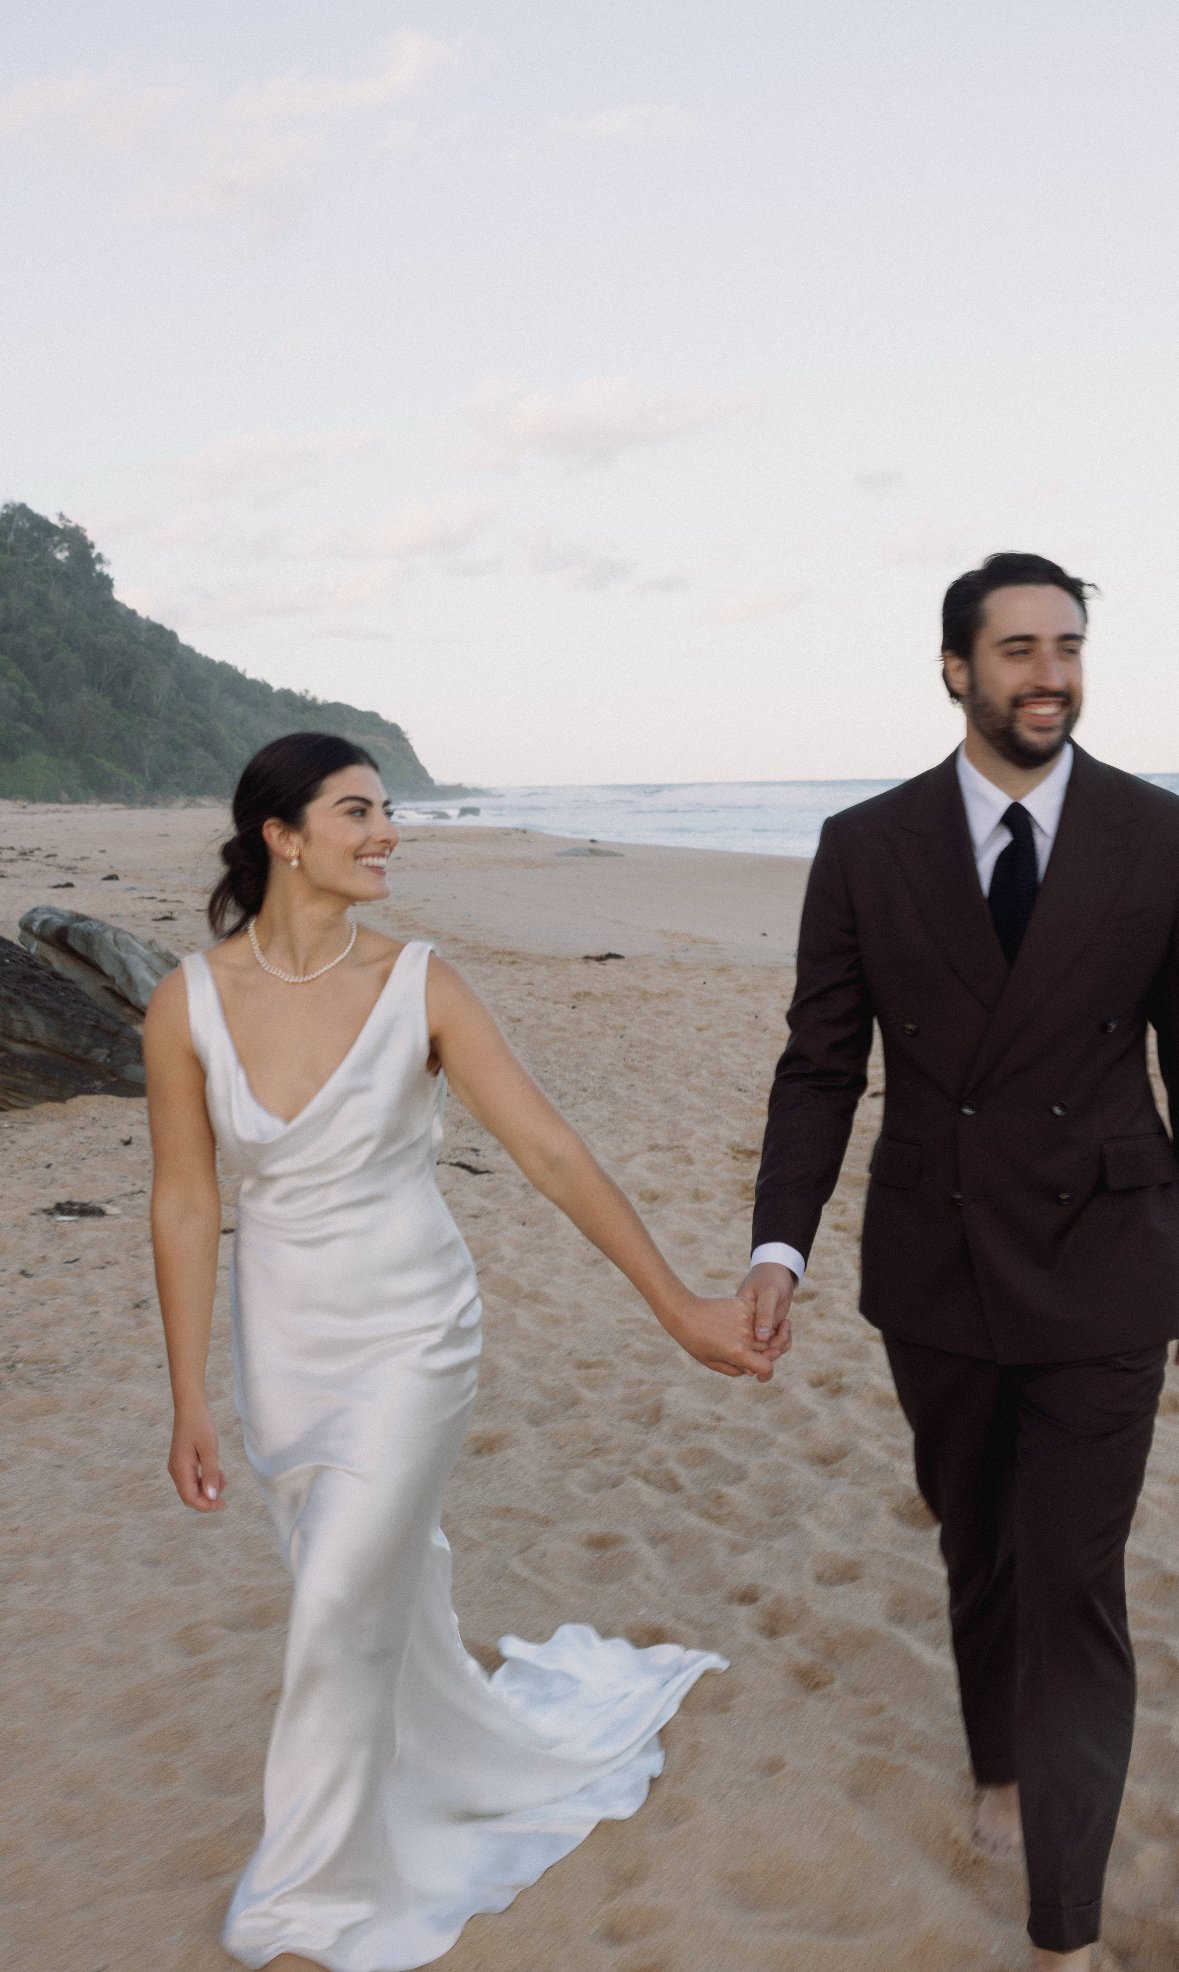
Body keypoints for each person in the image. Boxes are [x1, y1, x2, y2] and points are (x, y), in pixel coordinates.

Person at [145, 731, 773, 1972]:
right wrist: (187, 1394)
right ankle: (459, 1759)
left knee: (334, 1604)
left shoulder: (422, 983)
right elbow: (180, 1201)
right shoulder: (187, 1001)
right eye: (357, 811)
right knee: (362, 1591)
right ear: (281, 834)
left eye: (388, 811)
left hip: (411, 1338)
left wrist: (674, 1303)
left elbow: (547, 1150)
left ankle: (306, 1906)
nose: (387, 832)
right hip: (285, 1351)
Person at [740, 552, 1179, 1970]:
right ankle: (993, 1759)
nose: (1046, 674)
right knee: (977, 1538)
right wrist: (776, 1248)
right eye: (1015, 651)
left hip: (1106, 1259)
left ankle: (1060, 1924)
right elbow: (819, 1066)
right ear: (954, 670)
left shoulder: (1154, 834)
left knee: (1069, 1575)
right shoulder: (864, 846)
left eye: (1064, 647)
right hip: (932, 1263)